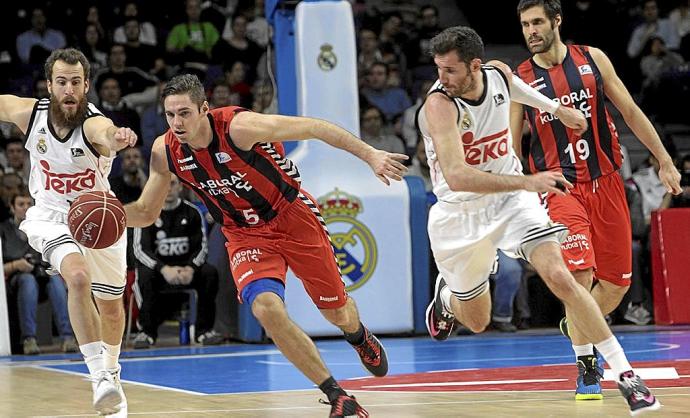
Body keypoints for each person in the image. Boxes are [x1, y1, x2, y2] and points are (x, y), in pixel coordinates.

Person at [124, 73, 408, 417]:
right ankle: (337, 396)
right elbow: (144, 211)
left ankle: (358, 335)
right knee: (265, 309)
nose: (176, 122)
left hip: (292, 216)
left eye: (184, 113)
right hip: (244, 233)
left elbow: (315, 127)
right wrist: (104, 216)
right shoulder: (164, 150)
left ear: (204, 109)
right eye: (170, 115)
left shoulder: (240, 127)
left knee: (336, 313)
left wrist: (370, 155)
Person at [419, 26, 661, 415]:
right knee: (478, 321)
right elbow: (458, 175)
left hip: (512, 202)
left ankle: (626, 375)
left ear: (475, 66)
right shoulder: (439, 105)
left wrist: (556, 110)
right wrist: (529, 180)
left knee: (562, 275)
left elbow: (515, 88)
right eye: (439, 69)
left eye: (450, 71)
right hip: (460, 214)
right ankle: (446, 298)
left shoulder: (496, 73)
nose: (441, 79)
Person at [511, 0, 681, 401]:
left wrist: (664, 160)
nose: (531, 30)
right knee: (580, 276)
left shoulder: (592, 59)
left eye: (537, 22)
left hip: (607, 183)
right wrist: (522, 187)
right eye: (524, 25)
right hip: (560, 189)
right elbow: (512, 143)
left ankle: (579, 323)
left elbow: (631, 111)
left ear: (556, 21)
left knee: (617, 286)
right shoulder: (520, 78)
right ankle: (588, 365)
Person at [0, 48, 138, 416]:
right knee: (77, 277)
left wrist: (118, 136)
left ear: (86, 85)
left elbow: (104, 132)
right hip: (51, 216)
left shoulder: (92, 123)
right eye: (61, 81)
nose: (69, 89)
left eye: (76, 82)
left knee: (111, 309)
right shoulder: (31, 114)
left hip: (99, 219)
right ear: (49, 85)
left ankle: (111, 372)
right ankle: (98, 376)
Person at [132, 175, 223, 348]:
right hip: (159, 271)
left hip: (186, 270)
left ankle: (204, 332)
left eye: (172, 184)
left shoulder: (192, 212)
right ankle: (146, 332)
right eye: (163, 184)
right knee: (144, 275)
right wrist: (164, 269)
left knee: (209, 273)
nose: (168, 189)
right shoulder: (145, 214)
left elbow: (202, 247)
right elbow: (140, 250)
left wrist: (190, 268)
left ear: (180, 186)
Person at [1, 187, 77, 354]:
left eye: (29, 204)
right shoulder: (4, 230)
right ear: (12, 207)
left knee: (56, 280)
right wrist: (16, 265)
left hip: (41, 275)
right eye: (21, 204)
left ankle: (67, 337)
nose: (26, 208)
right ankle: (29, 339)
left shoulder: (42, 228)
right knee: (27, 280)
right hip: (14, 280)